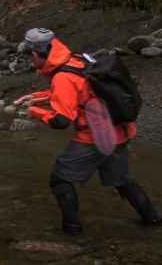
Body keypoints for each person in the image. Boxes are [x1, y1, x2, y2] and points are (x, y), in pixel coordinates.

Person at [15, 28, 161, 233]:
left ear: (37, 54)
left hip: (96, 134)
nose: (32, 62)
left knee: (60, 178)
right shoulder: (75, 59)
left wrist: (35, 112)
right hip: (119, 127)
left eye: (30, 57)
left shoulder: (62, 77)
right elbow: (78, 91)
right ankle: (152, 221)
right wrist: (36, 96)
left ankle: (72, 230)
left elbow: (61, 121)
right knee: (123, 180)